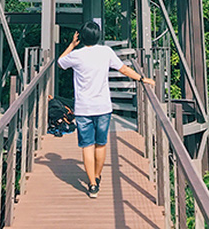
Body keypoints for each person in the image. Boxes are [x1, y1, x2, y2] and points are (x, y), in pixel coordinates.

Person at [57, 21, 155, 198]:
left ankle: (92, 185)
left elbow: (60, 62)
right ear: (99, 36)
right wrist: (142, 79)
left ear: (81, 36)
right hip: (103, 107)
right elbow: (124, 69)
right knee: (100, 144)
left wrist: (72, 44)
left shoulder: (76, 55)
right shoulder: (106, 52)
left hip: (83, 109)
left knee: (87, 146)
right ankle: (97, 176)